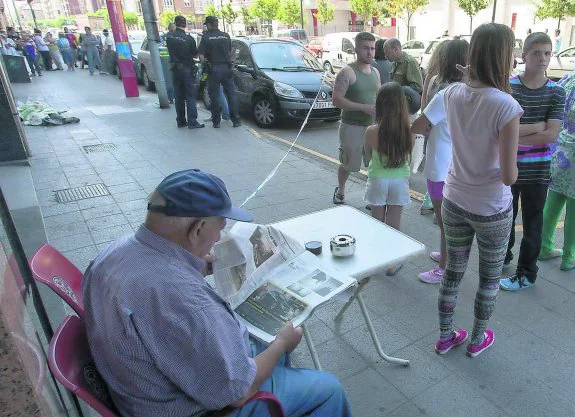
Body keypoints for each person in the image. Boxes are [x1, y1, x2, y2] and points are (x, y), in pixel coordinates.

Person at [82, 169, 353, 417]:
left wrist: (192, 265)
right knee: (327, 387)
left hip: (139, 390)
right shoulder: (183, 299)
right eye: (219, 228)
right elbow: (237, 393)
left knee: (264, 344)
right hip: (194, 409)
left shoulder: (109, 255)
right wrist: (283, 343)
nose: (217, 238)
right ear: (198, 228)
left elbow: (153, 297)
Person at [435, 23, 522, 358]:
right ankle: (476, 339)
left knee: (452, 273)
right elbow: (510, 177)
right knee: (488, 279)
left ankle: (445, 337)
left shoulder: (452, 93)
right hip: (492, 210)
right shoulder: (506, 105)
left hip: (454, 198)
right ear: (502, 55)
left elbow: (470, 96)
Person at [499, 33, 566, 291]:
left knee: (532, 223)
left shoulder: (556, 92)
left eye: (548, 53)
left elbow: (550, 135)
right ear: (523, 55)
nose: (543, 58)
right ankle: (503, 255)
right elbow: (499, 129)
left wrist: (514, 136)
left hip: (537, 170)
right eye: (537, 53)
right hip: (508, 166)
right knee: (505, 217)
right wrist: (535, 127)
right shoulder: (509, 87)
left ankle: (526, 273)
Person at [411, 39, 469, 284]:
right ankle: (447, 257)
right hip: (459, 165)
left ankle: (445, 268)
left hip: (439, 165)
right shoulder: (471, 92)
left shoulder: (445, 95)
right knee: (450, 220)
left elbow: (418, 126)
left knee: (445, 221)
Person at [364, 82, 413, 275]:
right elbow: (409, 153)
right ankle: (391, 264)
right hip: (399, 179)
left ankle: (377, 259)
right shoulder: (407, 130)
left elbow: (367, 156)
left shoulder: (371, 130)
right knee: (393, 223)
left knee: (377, 221)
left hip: (377, 178)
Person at [332, 32, 380, 205]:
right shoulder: (347, 72)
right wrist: (362, 107)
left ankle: (371, 197)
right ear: (356, 49)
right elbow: (336, 99)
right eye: (365, 48)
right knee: (348, 164)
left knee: (374, 165)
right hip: (351, 126)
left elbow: (378, 97)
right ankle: (341, 191)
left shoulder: (375, 72)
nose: (370, 52)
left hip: (372, 128)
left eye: (372, 48)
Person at [540, 72, 575, 271]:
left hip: (560, 148)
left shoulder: (568, 78)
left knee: (554, 199)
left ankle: (544, 247)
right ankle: (569, 256)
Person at [384, 38, 425, 175]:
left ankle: (404, 171)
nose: (385, 56)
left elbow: (418, 86)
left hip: (406, 108)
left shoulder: (409, 62)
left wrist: (398, 90)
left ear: (396, 49)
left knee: (405, 141)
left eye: (387, 52)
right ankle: (397, 167)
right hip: (395, 108)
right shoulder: (395, 63)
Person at [420, 39, 449, 217]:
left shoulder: (432, 79)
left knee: (435, 172)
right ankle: (438, 208)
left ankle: (430, 201)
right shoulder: (455, 87)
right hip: (447, 138)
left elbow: (424, 108)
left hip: (431, 132)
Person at [198, 16, 242, 128]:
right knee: (231, 95)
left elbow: (201, 56)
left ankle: (216, 121)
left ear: (208, 24)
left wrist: (205, 65)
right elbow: (230, 52)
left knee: (215, 96)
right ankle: (236, 120)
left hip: (214, 69)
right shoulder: (226, 36)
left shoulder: (206, 37)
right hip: (227, 69)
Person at [166, 15, 204, 129]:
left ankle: (181, 121)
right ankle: (192, 121)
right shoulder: (189, 39)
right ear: (185, 24)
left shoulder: (170, 37)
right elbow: (195, 54)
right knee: (191, 96)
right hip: (187, 69)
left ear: (175, 23)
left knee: (178, 96)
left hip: (175, 69)